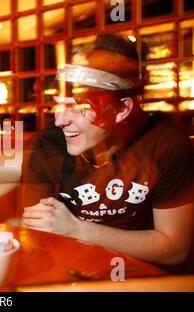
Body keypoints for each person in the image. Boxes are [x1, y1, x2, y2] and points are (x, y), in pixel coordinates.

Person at [21, 34, 193, 269]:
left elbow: (175, 250)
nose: (60, 120)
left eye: (79, 106)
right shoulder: (47, 146)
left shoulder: (166, 144)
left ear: (122, 109)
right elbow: (36, 234)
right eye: (58, 105)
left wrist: (77, 229)